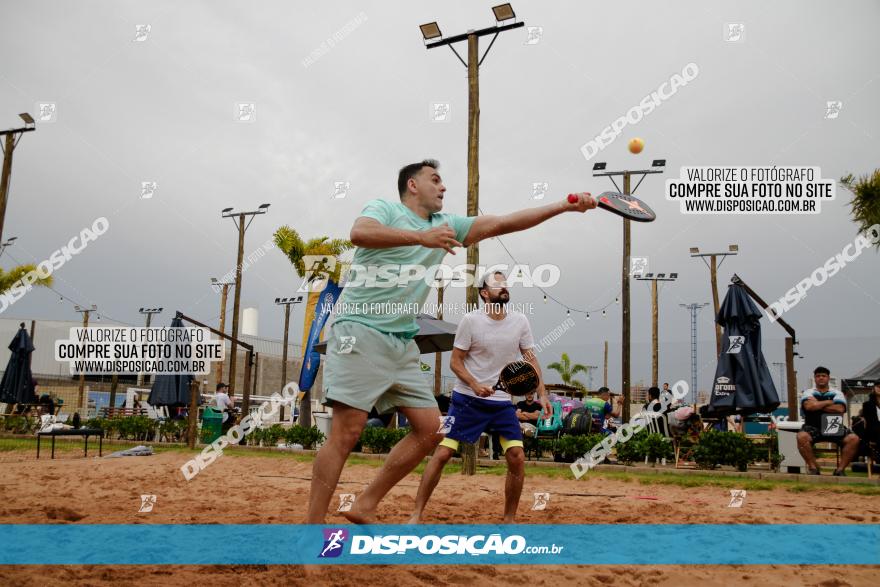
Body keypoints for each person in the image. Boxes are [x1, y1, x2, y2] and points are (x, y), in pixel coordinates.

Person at [307, 159, 595, 523]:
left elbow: (503, 222)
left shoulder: (446, 225)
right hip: (359, 331)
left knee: (431, 431)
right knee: (346, 434)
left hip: (401, 341)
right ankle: (311, 533)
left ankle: (365, 503)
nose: (443, 187)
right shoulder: (386, 209)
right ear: (413, 185)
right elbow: (360, 233)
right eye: (435, 180)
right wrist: (420, 238)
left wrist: (563, 206)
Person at [408, 271, 548, 523]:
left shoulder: (520, 321)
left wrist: (542, 393)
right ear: (484, 293)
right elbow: (455, 362)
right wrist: (474, 384)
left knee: (516, 457)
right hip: (465, 401)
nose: (503, 287)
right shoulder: (470, 321)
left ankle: (508, 520)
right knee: (442, 455)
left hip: (502, 403)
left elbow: (530, 360)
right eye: (497, 285)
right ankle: (416, 514)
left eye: (505, 284)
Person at [796, 366, 860, 476]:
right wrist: (829, 402)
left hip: (833, 426)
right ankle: (813, 468)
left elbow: (840, 409)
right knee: (801, 436)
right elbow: (809, 407)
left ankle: (840, 470)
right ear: (815, 378)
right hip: (812, 427)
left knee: (854, 439)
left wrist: (818, 404)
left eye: (823, 376)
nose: (821, 378)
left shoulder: (837, 392)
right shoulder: (808, 392)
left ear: (828, 378)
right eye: (818, 376)